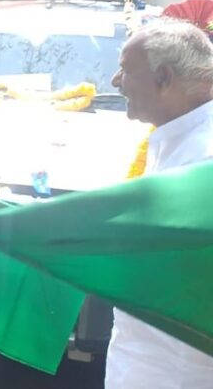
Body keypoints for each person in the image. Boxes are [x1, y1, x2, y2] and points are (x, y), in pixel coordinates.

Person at [105, 20, 213, 388]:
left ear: (164, 78)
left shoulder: (204, 158)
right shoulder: (178, 137)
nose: (115, 81)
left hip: (179, 370)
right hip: (145, 357)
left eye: (125, 69)